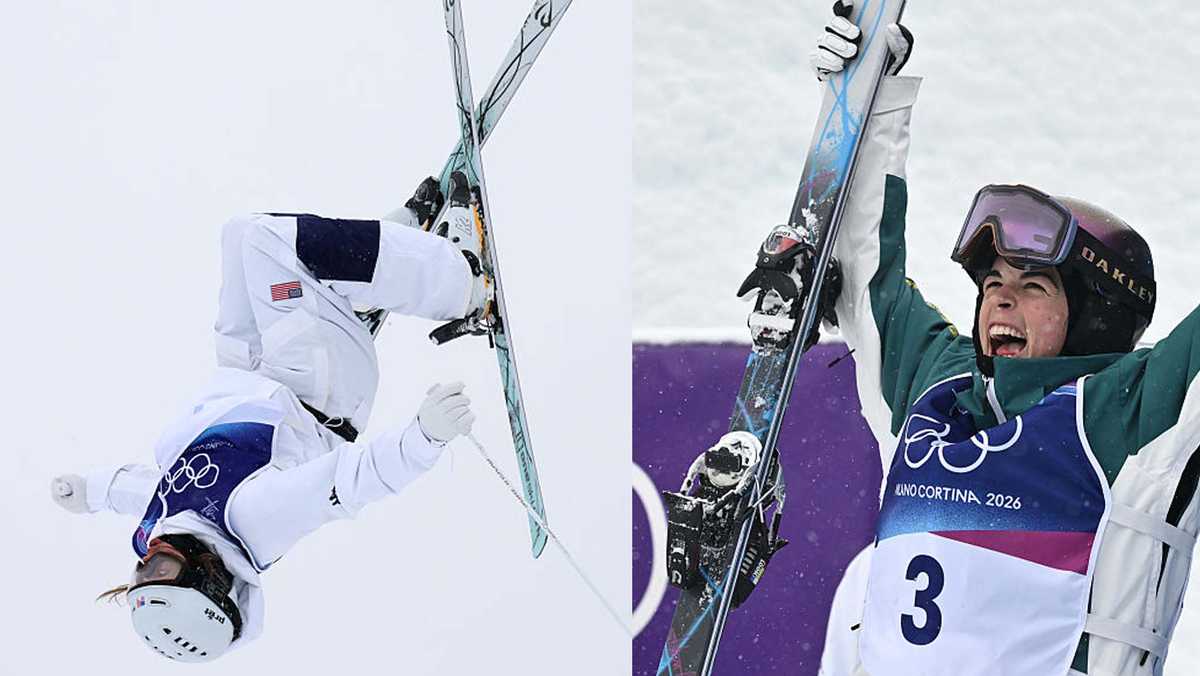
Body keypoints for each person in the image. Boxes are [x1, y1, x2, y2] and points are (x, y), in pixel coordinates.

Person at [802, 4, 1199, 675]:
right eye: (991, 283)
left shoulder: (1133, 413)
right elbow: (865, 270)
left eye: (1034, 286)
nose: (1000, 298)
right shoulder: (940, 389)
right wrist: (863, 104)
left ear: (1096, 316)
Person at [48, 173, 489, 662]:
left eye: (136, 578)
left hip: (250, 373)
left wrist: (87, 491)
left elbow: (134, 488)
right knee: (268, 242)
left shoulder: (168, 525)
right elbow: (351, 482)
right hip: (317, 388)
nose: (147, 563)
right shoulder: (254, 520)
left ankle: (386, 257)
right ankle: (462, 283)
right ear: (205, 581)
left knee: (238, 234)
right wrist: (424, 437)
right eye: (158, 575)